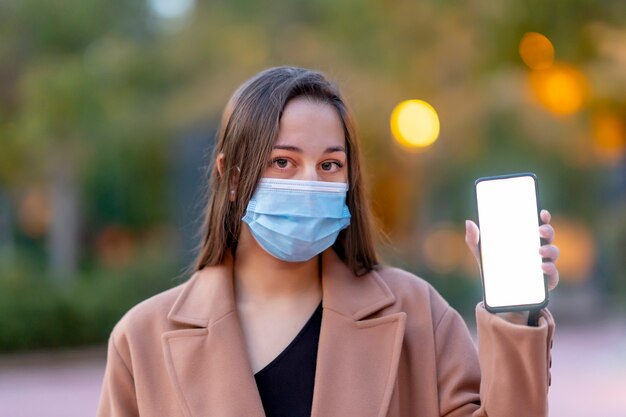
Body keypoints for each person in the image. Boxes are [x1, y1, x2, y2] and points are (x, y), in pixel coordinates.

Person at [97, 66, 559, 417]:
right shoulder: (141, 340)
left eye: (330, 165)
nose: (310, 181)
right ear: (231, 177)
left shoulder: (419, 313)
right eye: (282, 162)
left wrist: (515, 317)